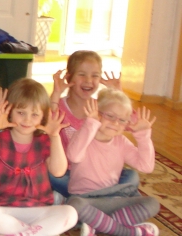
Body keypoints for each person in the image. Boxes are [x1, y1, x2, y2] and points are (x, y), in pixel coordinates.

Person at [0, 78, 78, 236]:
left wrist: (55, 136)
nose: (27, 120)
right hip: (3, 209)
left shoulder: (45, 141)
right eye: (21, 112)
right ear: (9, 111)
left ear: (43, 117)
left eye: (35, 114)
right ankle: (40, 235)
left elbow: (58, 171)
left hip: (37, 209)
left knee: (70, 213)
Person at [65, 90, 160, 236]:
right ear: (97, 114)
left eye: (122, 120)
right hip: (87, 200)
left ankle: (99, 224)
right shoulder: (83, 135)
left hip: (113, 198)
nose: (116, 123)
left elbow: (146, 166)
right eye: (110, 116)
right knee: (74, 205)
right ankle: (127, 231)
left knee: (153, 203)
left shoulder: (121, 142)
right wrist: (91, 124)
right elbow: (74, 156)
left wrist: (143, 135)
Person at [49, 50, 137, 199]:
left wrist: (119, 93)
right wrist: (56, 94)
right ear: (69, 77)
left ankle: (96, 200)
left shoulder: (103, 108)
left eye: (95, 75)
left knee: (131, 176)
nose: (89, 80)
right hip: (72, 175)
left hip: (102, 175)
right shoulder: (60, 108)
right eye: (82, 74)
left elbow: (134, 124)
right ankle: (111, 198)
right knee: (50, 174)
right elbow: (48, 120)